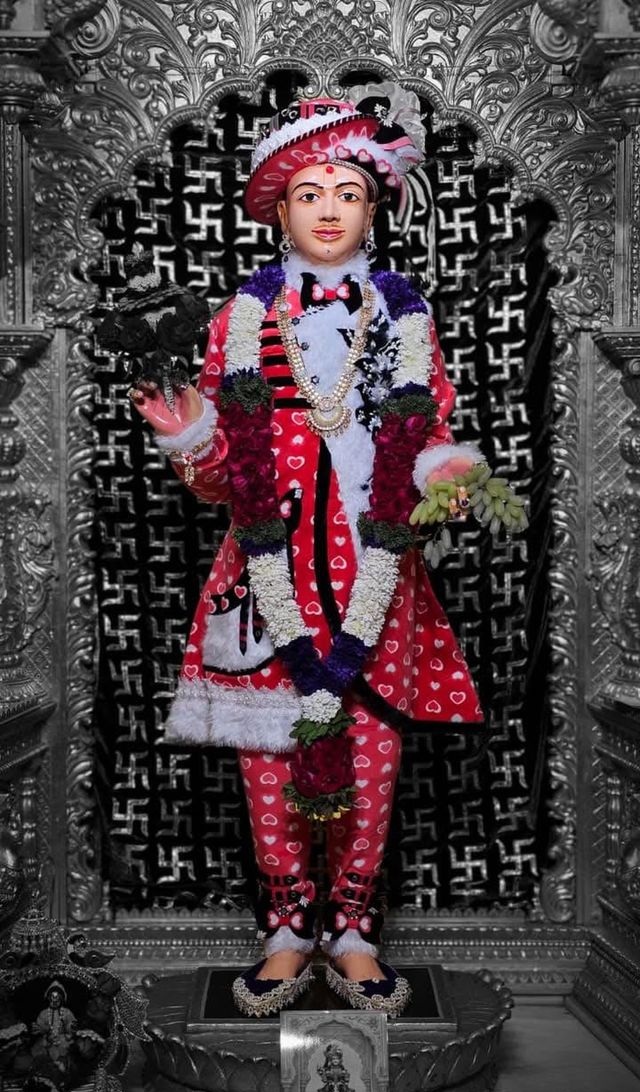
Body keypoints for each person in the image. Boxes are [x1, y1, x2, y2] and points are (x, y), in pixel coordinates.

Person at [128, 83, 484, 1018]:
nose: (330, 210)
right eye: (311, 194)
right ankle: (287, 927)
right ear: (280, 210)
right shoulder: (239, 320)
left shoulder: (406, 319)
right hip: (267, 572)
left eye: (349, 193)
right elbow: (218, 481)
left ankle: (354, 929)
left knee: (369, 747)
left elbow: (432, 433)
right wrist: (187, 431)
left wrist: (445, 477)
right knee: (271, 753)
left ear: (375, 209)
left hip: (376, 573)